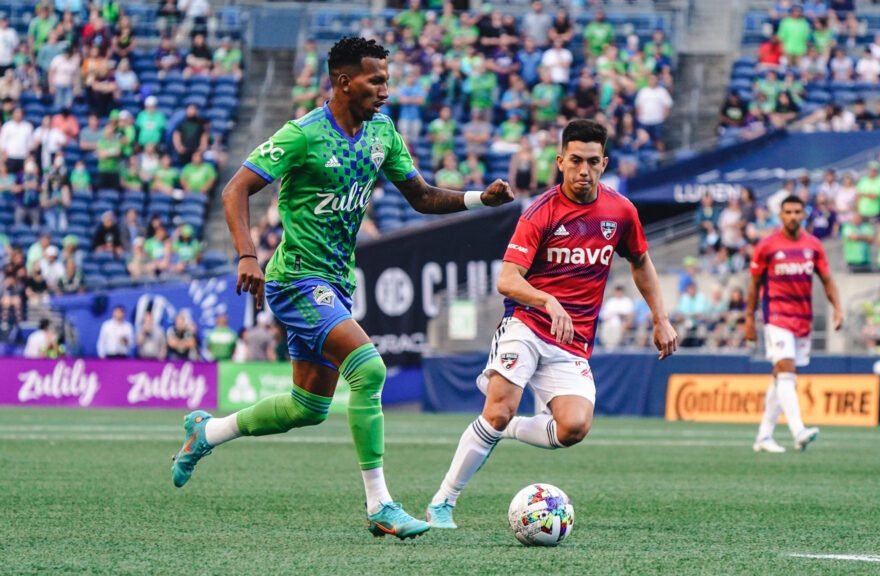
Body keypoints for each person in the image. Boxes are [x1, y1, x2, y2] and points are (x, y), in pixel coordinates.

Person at [170, 37, 514, 540]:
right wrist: (248, 254)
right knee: (369, 368)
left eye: (386, 80)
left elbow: (420, 196)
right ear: (343, 81)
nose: (385, 90)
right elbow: (235, 188)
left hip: (334, 282)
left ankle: (207, 431)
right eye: (376, 80)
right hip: (295, 280)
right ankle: (381, 505)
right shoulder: (302, 135)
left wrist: (479, 199)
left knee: (305, 408)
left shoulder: (381, 132)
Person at [424, 119, 677, 529]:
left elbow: (641, 262)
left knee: (574, 427)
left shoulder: (621, 211)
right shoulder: (541, 212)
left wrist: (661, 318)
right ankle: (442, 503)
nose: (583, 171)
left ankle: (504, 431)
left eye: (593, 162)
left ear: (605, 163)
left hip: (572, 341)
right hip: (525, 325)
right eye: (575, 160)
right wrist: (547, 300)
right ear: (560, 161)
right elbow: (507, 279)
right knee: (499, 408)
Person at [746, 195, 843, 453]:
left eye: (797, 211)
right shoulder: (766, 246)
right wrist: (749, 319)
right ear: (781, 215)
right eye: (788, 212)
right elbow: (754, 286)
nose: (792, 216)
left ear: (804, 215)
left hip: (803, 319)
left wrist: (838, 309)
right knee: (787, 370)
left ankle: (764, 436)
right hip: (776, 317)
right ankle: (798, 430)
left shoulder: (813, 245)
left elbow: (827, 279)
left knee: (781, 376)